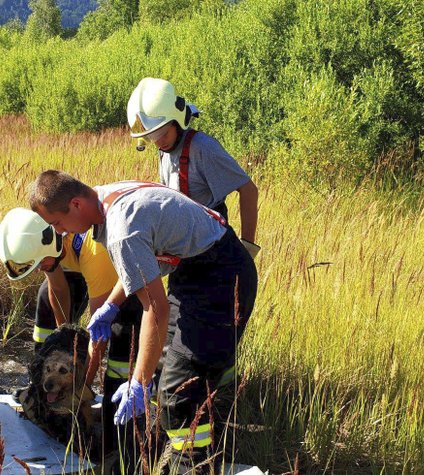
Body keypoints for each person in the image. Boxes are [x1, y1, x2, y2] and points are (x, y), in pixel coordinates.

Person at [29, 170, 258, 474]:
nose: (59, 232)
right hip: (193, 271)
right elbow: (140, 262)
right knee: (162, 372)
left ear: (75, 205)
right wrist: (111, 305)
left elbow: (155, 310)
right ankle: (160, 454)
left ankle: (191, 465)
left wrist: (137, 382)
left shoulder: (121, 228)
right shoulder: (104, 196)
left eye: (57, 223)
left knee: (179, 392)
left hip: (222, 279)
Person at [0, 207, 143, 468]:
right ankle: (41, 386)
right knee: (45, 298)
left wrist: (81, 385)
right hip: (75, 261)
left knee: (122, 330)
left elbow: (99, 332)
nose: (41, 266)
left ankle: (114, 427)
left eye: (41, 263)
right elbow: (58, 286)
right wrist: (65, 338)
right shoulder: (41, 234)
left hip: (122, 277)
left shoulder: (96, 254)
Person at [127, 77, 261, 258]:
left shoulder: (203, 148)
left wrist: (248, 249)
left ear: (177, 121)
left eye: (163, 133)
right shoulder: (164, 148)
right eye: (152, 137)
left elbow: (249, 190)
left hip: (212, 255)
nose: (159, 142)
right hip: (183, 252)